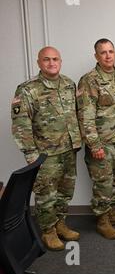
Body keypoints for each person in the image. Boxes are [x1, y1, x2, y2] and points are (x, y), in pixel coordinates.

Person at [11, 46, 81, 251]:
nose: (51, 63)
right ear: (38, 62)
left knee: (65, 191)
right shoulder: (27, 89)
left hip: (68, 148)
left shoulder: (68, 84)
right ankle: (48, 231)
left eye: (55, 59)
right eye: (46, 59)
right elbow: (21, 124)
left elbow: (75, 113)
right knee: (46, 194)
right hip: (45, 153)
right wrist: (31, 154)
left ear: (61, 61)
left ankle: (60, 224)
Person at [77, 38, 115, 239]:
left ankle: (110, 213)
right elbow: (86, 115)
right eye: (103, 52)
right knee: (103, 183)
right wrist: (94, 144)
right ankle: (102, 221)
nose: (108, 55)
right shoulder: (89, 80)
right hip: (102, 143)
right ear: (96, 56)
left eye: (111, 51)